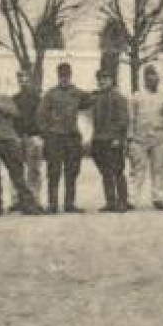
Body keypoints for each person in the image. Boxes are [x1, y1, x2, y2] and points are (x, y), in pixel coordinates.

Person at [0, 68, 38, 216]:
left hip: (9, 140)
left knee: (17, 174)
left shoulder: (5, 98)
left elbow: (15, 113)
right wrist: (2, 114)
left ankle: (27, 204)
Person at [37, 62, 92, 213]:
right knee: (54, 172)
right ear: (58, 76)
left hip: (72, 137)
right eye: (62, 76)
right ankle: (52, 204)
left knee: (72, 171)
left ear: (71, 76)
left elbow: (91, 100)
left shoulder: (77, 93)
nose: (64, 79)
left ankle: (69, 204)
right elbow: (41, 115)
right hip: (55, 137)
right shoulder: (50, 94)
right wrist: (47, 133)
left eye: (67, 75)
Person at [128, 64, 163, 210]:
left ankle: (158, 198)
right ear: (144, 79)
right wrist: (130, 137)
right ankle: (131, 199)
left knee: (158, 169)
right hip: (139, 138)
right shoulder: (136, 96)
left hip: (159, 138)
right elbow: (131, 117)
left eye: (154, 77)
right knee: (137, 169)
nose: (152, 80)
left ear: (158, 80)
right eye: (148, 78)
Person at [90, 68, 131, 213]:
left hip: (113, 140)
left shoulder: (118, 98)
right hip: (99, 139)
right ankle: (110, 202)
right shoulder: (96, 97)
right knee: (105, 172)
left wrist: (118, 138)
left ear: (112, 81)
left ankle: (123, 201)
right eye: (100, 79)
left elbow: (123, 120)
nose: (102, 81)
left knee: (118, 171)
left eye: (105, 78)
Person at [12, 69, 45, 196]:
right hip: (18, 137)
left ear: (30, 80)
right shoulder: (14, 99)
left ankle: (34, 197)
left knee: (34, 169)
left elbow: (42, 118)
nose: (23, 82)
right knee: (16, 169)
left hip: (33, 136)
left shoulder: (38, 99)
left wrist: (40, 135)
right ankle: (17, 198)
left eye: (25, 78)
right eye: (20, 79)